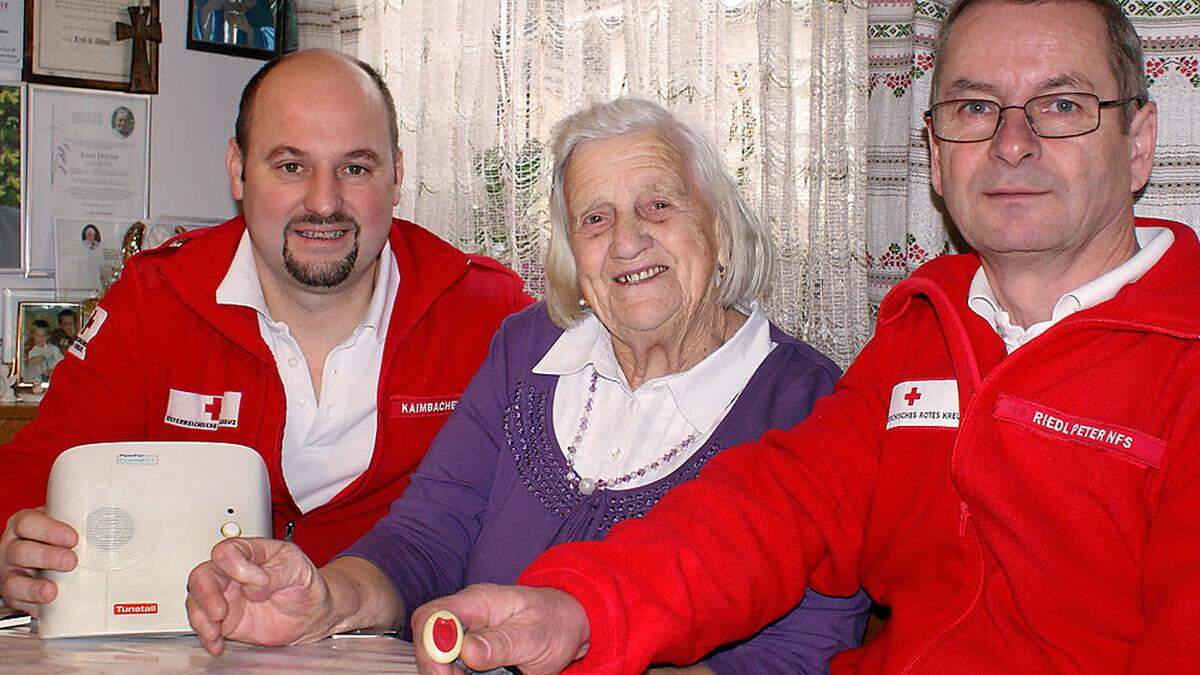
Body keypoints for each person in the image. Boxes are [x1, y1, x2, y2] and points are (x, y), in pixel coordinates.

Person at [400, 1, 1200, 673]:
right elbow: (779, 507)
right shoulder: (924, 329)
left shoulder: (1184, 359)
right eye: (974, 107)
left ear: (1138, 144)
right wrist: (578, 605)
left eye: (1062, 105)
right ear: (933, 153)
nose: (1011, 142)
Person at [184, 99, 871, 671]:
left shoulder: (805, 402)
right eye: (594, 219)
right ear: (573, 251)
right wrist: (328, 597)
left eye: (658, 204)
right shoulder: (528, 351)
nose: (626, 240)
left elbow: (807, 650)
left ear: (717, 225)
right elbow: (428, 534)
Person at [0, 49, 530, 616]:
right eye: (290, 166)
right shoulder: (155, 299)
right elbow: (40, 470)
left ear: (397, 175)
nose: (324, 203)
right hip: (196, 648)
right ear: (238, 170)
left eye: (355, 168)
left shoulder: (487, 312)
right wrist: (13, 545)